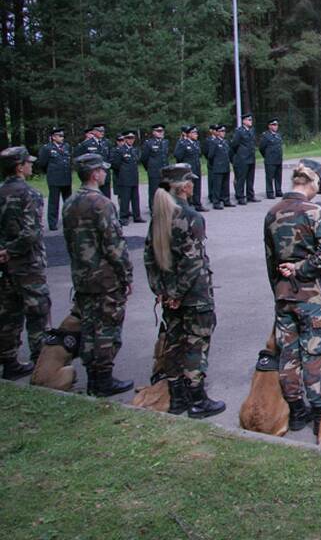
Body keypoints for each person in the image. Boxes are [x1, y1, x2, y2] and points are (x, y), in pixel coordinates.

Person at [264, 159, 321, 437]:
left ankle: (296, 410)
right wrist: (301, 268)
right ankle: (320, 412)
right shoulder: (314, 212)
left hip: (284, 295)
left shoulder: (273, 213)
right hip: (312, 297)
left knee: (289, 354)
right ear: (314, 183)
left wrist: (279, 288)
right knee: (314, 354)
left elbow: (270, 259)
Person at [144, 163, 226, 419]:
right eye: (191, 181)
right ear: (185, 186)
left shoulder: (159, 215)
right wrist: (178, 294)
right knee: (196, 345)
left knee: (174, 343)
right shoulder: (190, 217)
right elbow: (194, 262)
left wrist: (162, 291)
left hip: (170, 294)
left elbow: (150, 258)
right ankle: (197, 399)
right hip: (193, 296)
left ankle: (177, 396)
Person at [62, 153, 134, 396]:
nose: (105, 173)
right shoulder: (101, 203)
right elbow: (114, 245)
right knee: (106, 329)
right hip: (104, 279)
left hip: (82, 276)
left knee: (89, 326)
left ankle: (93, 375)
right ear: (95, 174)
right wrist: (126, 275)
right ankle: (103, 379)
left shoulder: (71, 201)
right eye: (102, 170)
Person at [0, 146, 52, 378]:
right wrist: (10, 250)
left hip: (5, 264)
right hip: (27, 263)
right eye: (28, 163)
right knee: (37, 312)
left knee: (9, 313)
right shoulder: (29, 194)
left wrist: (3, 250)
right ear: (19, 167)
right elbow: (32, 233)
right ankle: (40, 364)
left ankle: (9, 361)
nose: (31, 165)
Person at [111, 131, 143, 224]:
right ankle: (123, 217)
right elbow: (115, 164)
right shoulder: (120, 150)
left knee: (135, 198)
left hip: (134, 177)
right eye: (129, 138)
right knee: (125, 199)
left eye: (132, 138)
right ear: (125, 139)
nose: (131, 140)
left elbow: (137, 161)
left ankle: (137, 216)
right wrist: (122, 173)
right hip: (124, 178)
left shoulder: (134, 150)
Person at [173, 125, 207, 212]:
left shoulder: (196, 143)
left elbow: (199, 155)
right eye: (193, 133)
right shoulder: (182, 143)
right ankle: (187, 205)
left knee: (197, 186)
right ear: (188, 134)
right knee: (186, 187)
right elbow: (178, 156)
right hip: (187, 170)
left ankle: (197, 204)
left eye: (196, 133)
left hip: (196, 167)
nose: (196, 134)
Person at [75, 125, 112, 199]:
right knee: (92, 198)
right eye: (100, 131)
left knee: (106, 198)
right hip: (92, 176)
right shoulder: (86, 144)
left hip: (104, 175)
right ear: (94, 132)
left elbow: (110, 156)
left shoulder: (107, 143)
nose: (102, 133)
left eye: (103, 131)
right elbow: (78, 158)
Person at [140, 124, 171, 213]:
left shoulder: (165, 142)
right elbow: (144, 158)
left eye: (162, 131)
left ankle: (165, 208)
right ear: (154, 132)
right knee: (154, 192)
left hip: (164, 171)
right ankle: (154, 209)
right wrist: (149, 168)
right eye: (158, 131)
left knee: (165, 191)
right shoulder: (149, 143)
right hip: (154, 171)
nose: (161, 133)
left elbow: (165, 156)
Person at [230, 113, 258, 204]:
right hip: (242, 158)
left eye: (251, 120)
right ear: (244, 121)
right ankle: (240, 196)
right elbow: (234, 144)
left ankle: (250, 195)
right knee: (241, 179)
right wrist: (238, 155)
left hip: (251, 157)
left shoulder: (252, 130)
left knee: (250, 178)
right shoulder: (239, 131)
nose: (251, 122)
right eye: (249, 120)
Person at [204, 125, 232, 210]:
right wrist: (216, 163)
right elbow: (210, 155)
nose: (223, 133)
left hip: (225, 166)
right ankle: (216, 202)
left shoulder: (225, 142)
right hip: (218, 166)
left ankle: (226, 200)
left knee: (225, 185)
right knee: (217, 185)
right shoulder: (214, 142)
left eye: (224, 131)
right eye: (221, 131)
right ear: (217, 133)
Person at [259, 119, 284, 199]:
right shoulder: (265, 136)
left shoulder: (278, 135)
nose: (275, 126)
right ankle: (270, 192)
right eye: (273, 125)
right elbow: (262, 148)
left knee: (278, 176)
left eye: (276, 125)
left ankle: (278, 191)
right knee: (270, 177)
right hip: (270, 160)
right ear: (269, 126)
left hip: (278, 159)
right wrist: (266, 156)